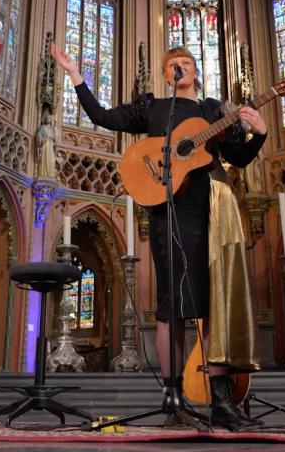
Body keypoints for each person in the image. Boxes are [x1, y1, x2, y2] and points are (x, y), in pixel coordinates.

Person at [52, 44, 267, 431]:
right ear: (166, 75)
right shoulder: (152, 108)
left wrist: (259, 134)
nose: (179, 69)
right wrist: (74, 74)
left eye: (185, 64)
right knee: (171, 302)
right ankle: (173, 397)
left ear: (196, 72)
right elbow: (101, 115)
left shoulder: (214, 110)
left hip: (208, 209)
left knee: (211, 300)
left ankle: (220, 400)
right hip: (166, 208)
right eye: (172, 66)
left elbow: (239, 155)